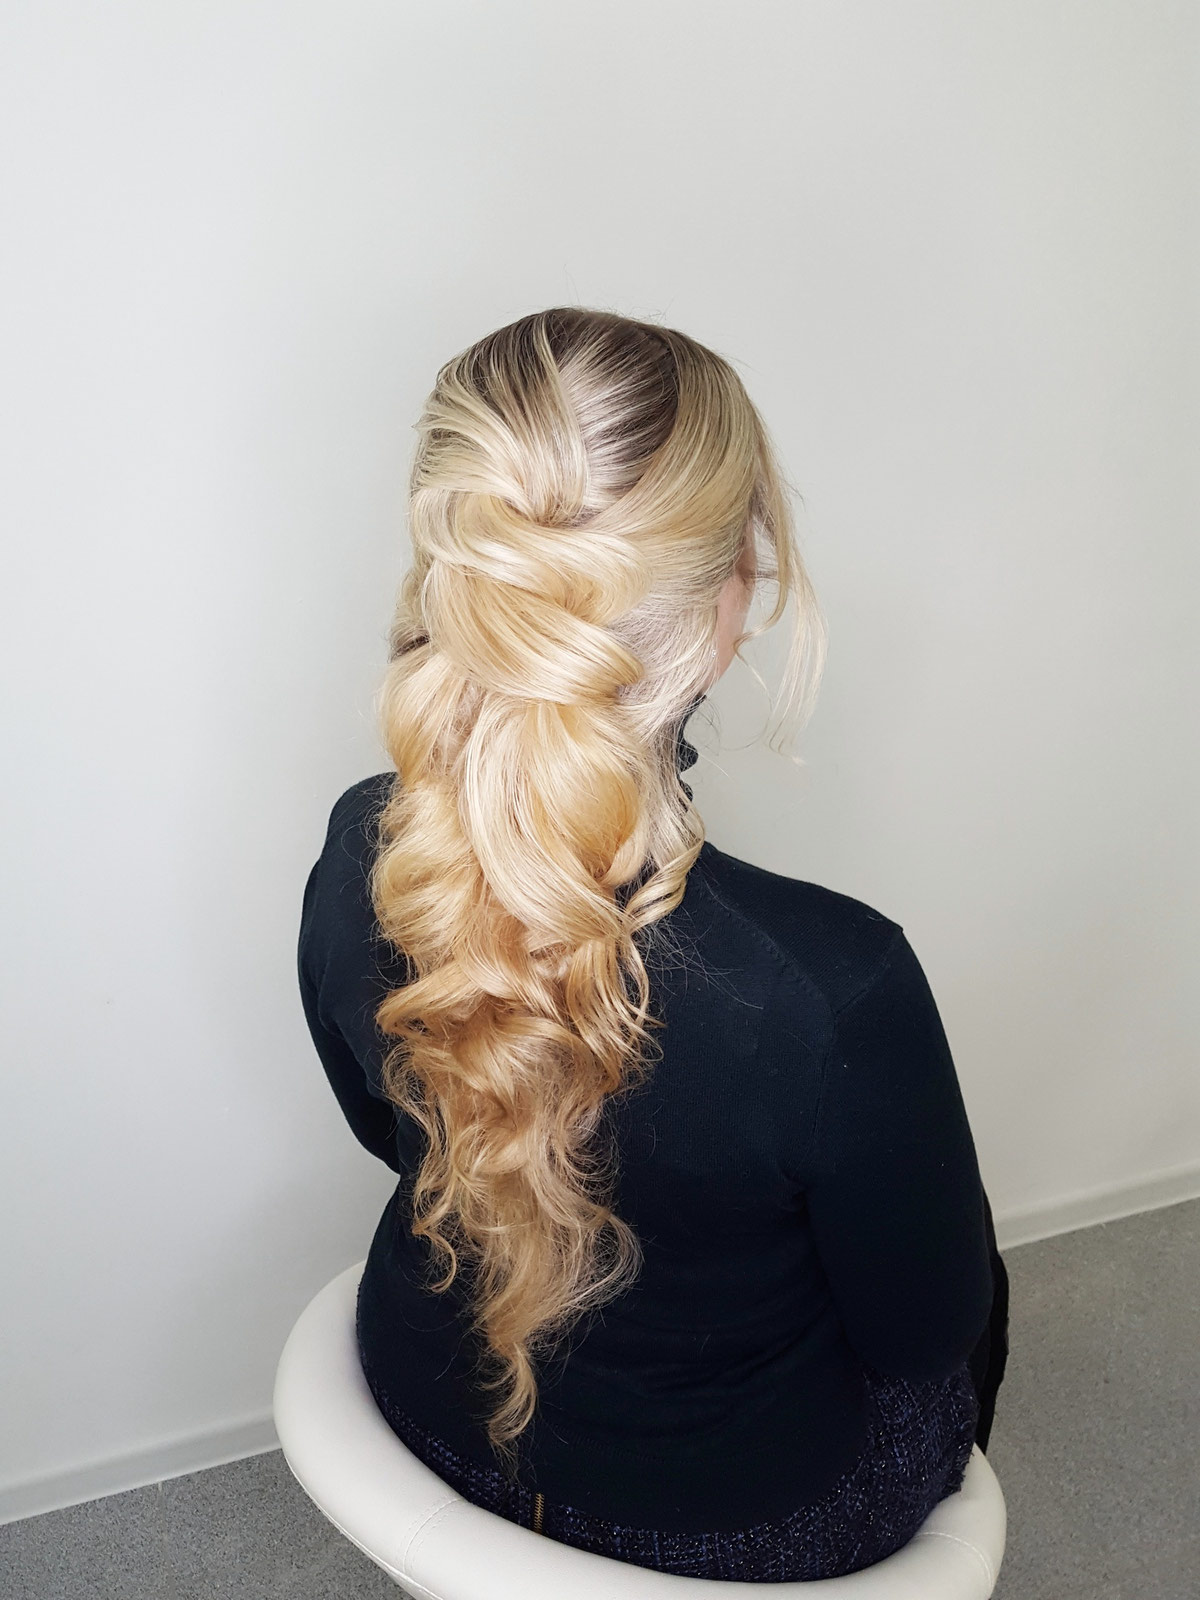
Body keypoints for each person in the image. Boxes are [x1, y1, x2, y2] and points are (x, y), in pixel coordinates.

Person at [297, 306, 1009, 1582]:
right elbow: (922, 1333)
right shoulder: (831, 990)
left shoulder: (366, 843)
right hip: (724, 1519)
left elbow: (379, 1123)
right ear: (721, 596)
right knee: (979, 1306)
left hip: (422, 1405)